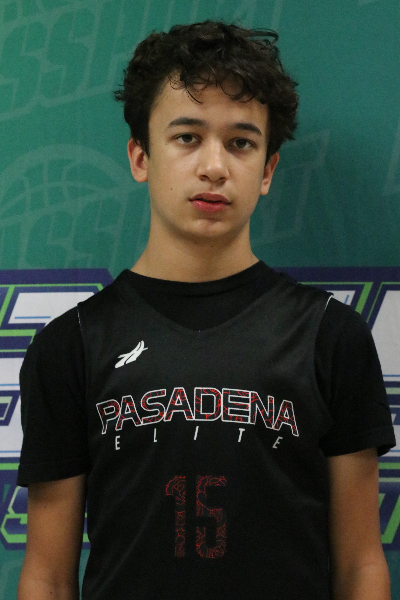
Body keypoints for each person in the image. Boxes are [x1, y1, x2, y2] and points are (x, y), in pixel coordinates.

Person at [17, 20, 395, 600]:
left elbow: (361, 566)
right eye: (187, 137)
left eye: (241, 143)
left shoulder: (330, 337)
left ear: (267, 171)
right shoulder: (71, 347)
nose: (214, 166)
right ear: (140, 156)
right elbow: (46, 576)